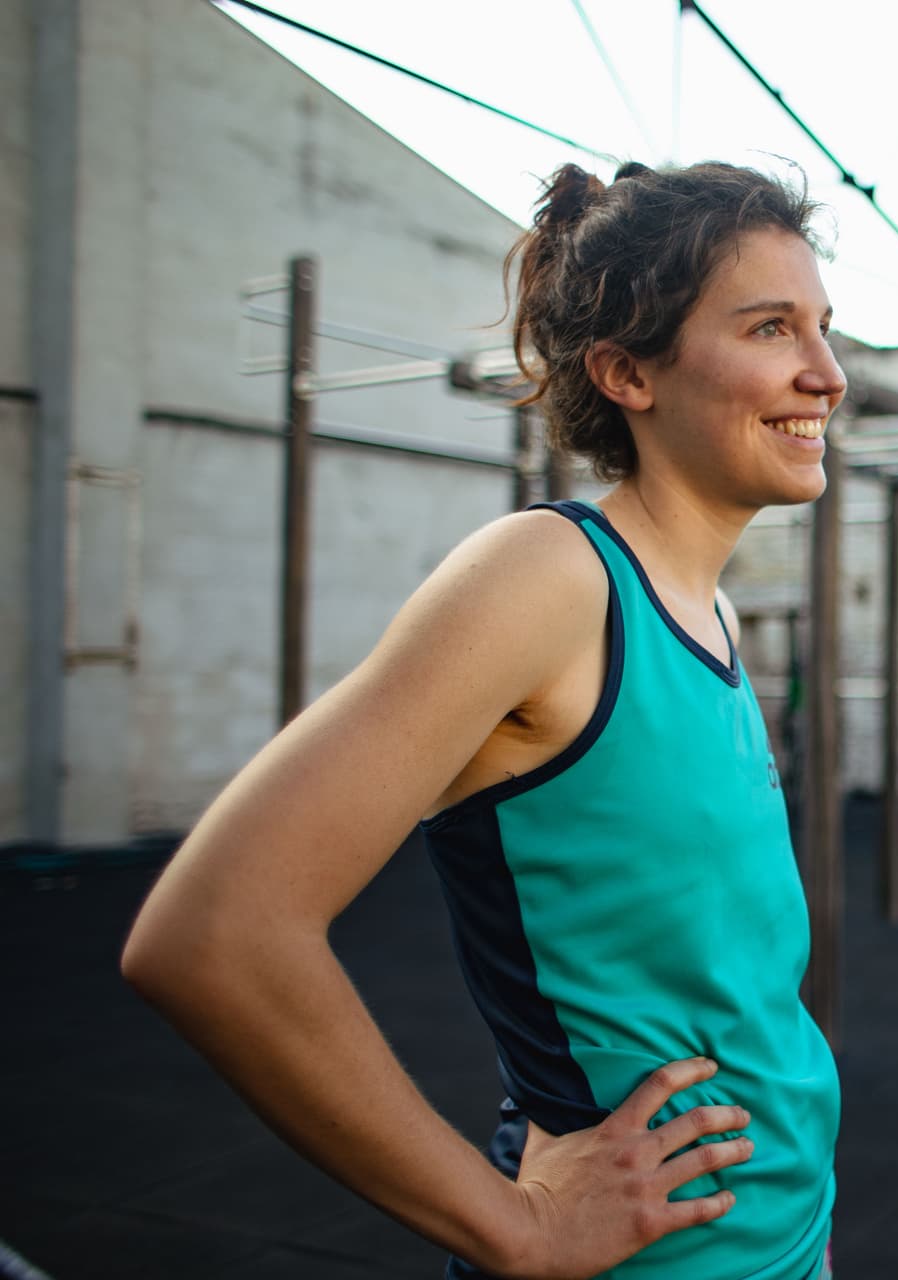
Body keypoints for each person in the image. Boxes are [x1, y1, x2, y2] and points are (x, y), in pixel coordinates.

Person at [122, 161, 845, 1280]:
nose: (827, 374)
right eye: (770, 328)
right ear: (627, 371)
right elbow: (214, 932)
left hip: (784, 1242)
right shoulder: (549, 577)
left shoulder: (711, 609)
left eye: (823, 328)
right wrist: (520, 1227)